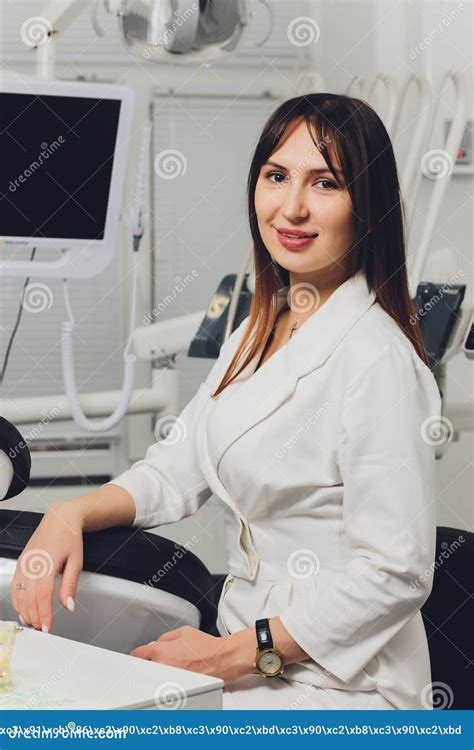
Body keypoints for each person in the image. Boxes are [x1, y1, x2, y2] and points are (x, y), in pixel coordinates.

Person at [11, 93, 442, 710]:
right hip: (249, 656)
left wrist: (223, 656)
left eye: (325, 183)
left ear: (366, 206)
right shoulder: (258, 328)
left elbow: (395, 574)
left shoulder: (378, 361)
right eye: (276, 177)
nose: (291, 207)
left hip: (343, 686)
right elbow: (177, 467)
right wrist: (68, 514)